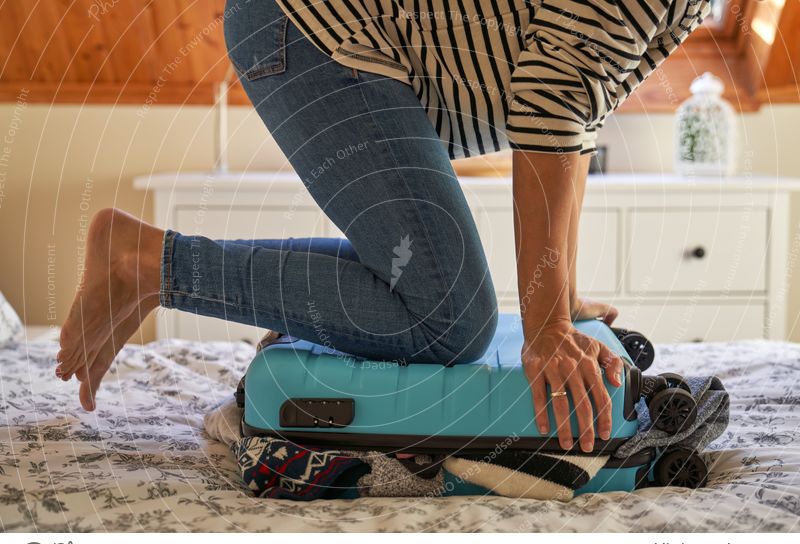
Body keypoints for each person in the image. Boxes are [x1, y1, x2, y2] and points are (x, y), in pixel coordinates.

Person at [55, 0, 711, 454]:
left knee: (436, 301)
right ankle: (147, 265)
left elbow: (574, 102)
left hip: (327, 33)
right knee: (449, 319)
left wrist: (560, 305)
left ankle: (156, 262)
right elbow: (555, 95)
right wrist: (546, 328)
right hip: (318, 28)